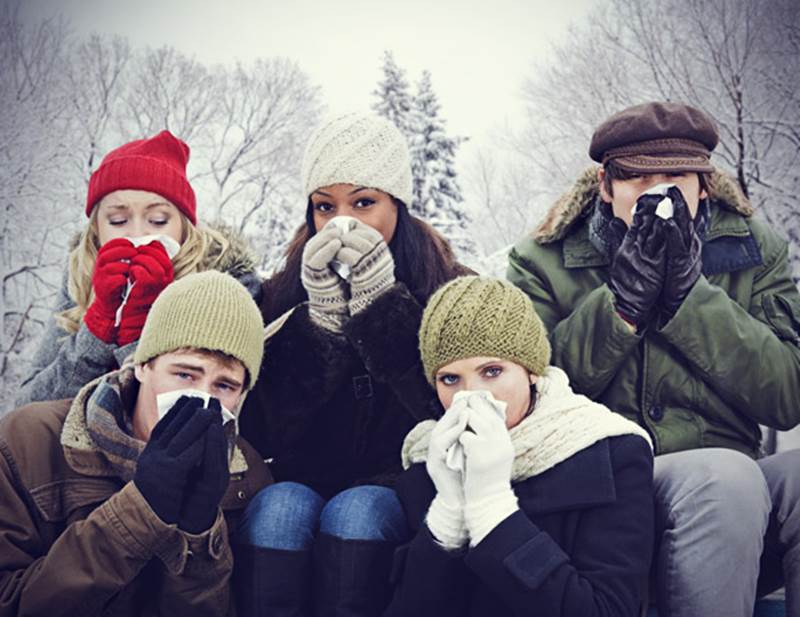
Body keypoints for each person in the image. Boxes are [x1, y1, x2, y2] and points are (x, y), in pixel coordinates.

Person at [507, 101, 800, 616]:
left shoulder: (755, 250)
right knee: (726, 478)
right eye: (638, 180)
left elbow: (788, 396)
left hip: (732, 490)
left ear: (704, 185)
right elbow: (523, 397)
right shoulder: (542, 259)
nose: (658, 194)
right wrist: (620, 305)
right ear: (606, 185)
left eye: (675, 177)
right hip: (603, 482)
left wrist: (692, 300)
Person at [236, 112, 471, 616]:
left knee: (357, 513)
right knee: (278, 512)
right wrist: (319, 326)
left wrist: (381, 307)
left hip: (402, 477)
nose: (343, 223)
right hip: (302, 473)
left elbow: (444, 402)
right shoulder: (280, 292)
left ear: (397, 205)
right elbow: (267, 423)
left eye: (364, 203)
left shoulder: (449, 286)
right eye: (325, 206)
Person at [0, 270, 272, 616]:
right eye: (185, 374)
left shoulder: (246, 478)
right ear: (143, 365)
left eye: (224, 386)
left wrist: (199, 535)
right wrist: (140, 508)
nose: (201, 398)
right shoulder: (29, 441)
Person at [385, 275, 654, 616]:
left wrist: (493, 509)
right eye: (450, 379)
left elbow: (607, 609)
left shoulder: (612, 451)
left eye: (492, 371)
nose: (471, 395)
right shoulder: (432, 462)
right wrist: (449, 513)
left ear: (530, 371)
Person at [17, 130, 262, 407]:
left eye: (158, 221)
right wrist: (96, 333)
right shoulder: (81, 274)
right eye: (118, 220)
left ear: (184, 228)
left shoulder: (228, 283)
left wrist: (139, 333)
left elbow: (186, 413)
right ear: (97, 230)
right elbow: (28, 407)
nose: (137, 234)